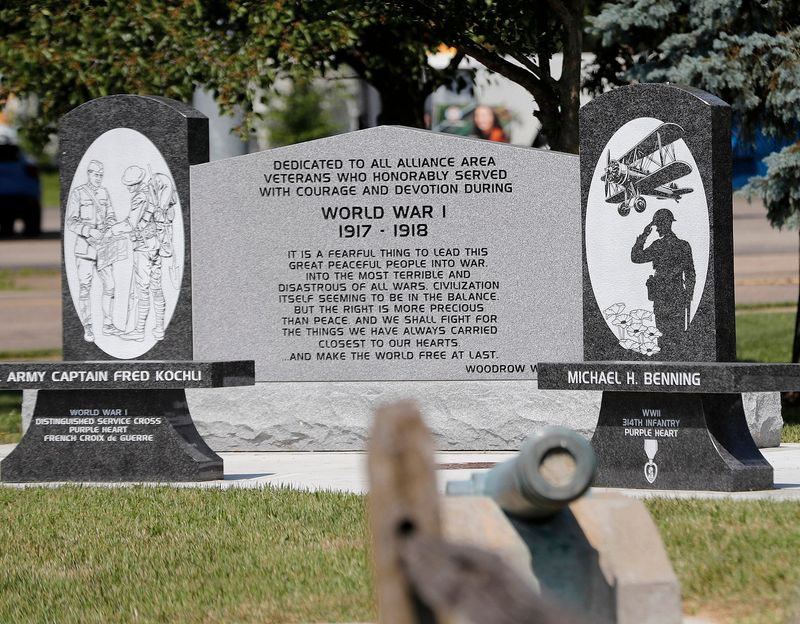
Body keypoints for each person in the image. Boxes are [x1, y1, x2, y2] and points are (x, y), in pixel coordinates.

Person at [119, 165, 176, 342]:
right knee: (156, 288)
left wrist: (111, 231)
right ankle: (159, 329)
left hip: (143, 247)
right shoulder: (153, 193)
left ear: (136, 184)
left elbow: (131, 223)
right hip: (156, 245)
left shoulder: (140, 197)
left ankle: (139, 330)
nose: (128, 188)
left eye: (129, 185)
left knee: (142, 290)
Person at [66, 160, 120, 342]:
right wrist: (89, 231)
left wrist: (111, 225)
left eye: (100, 175)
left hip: (103, 248)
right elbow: (71, 222)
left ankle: (108, 323)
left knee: (110, 285)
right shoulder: (78, 193)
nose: (98, 178)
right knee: (84, 288)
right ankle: (88, 326)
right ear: (89, 174)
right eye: (95, 175)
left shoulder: (104, 193)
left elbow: (111, 215)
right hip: (85, 249)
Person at [631, 208, 695, 352]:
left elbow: (636, 256)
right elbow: (691, 274)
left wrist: (644, 235)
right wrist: (688, 295)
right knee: (677, 337)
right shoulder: (683, 245)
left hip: (663, 298)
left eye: (658, 225)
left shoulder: (658, 246)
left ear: (664, 224)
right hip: (676, 297)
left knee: (664, 337)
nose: (657, 229)